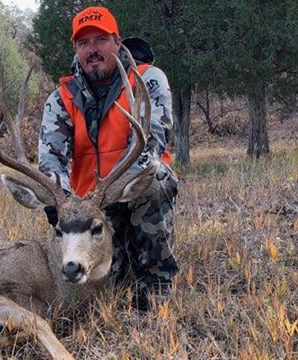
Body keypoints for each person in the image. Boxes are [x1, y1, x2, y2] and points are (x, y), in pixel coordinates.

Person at [38, 6, 178, 305]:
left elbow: (150, 145)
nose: (93, 50)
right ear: (76, 49)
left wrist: (111, 193)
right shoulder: (61, 98)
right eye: (83, 43)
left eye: (100, 39)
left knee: (156, 177)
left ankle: (155, 282)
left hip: (132, 195)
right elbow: (50, 159)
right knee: (105, 292)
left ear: (118, 42)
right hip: (90, 212)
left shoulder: (147, 80)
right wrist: (59, 199)